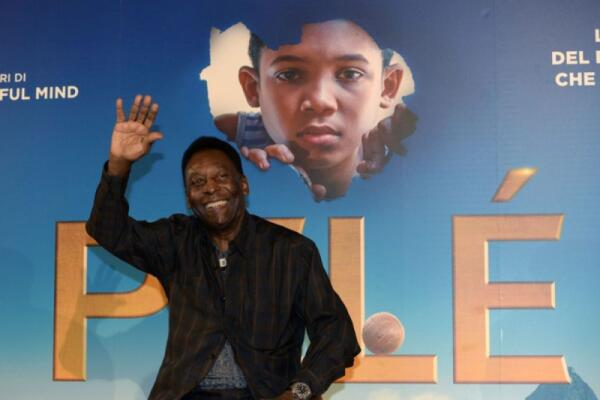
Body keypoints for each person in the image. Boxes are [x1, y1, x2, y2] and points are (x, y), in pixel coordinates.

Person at [86, 95, 361, 400]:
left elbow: (337, 334)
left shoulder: (291, 252)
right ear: (189, 197)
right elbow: (107, 229)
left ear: (243, 185)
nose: (210, 188)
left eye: (221, 177)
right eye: (197, 182)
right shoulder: (175, 240)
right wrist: (119, 165)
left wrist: (298, 393)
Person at [213, 19, 417, 200]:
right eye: (290, 75)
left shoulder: (405, 154)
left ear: (387, 86)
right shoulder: (230, 141)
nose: (320, 101)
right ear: (253, 88)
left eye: (350, 74)